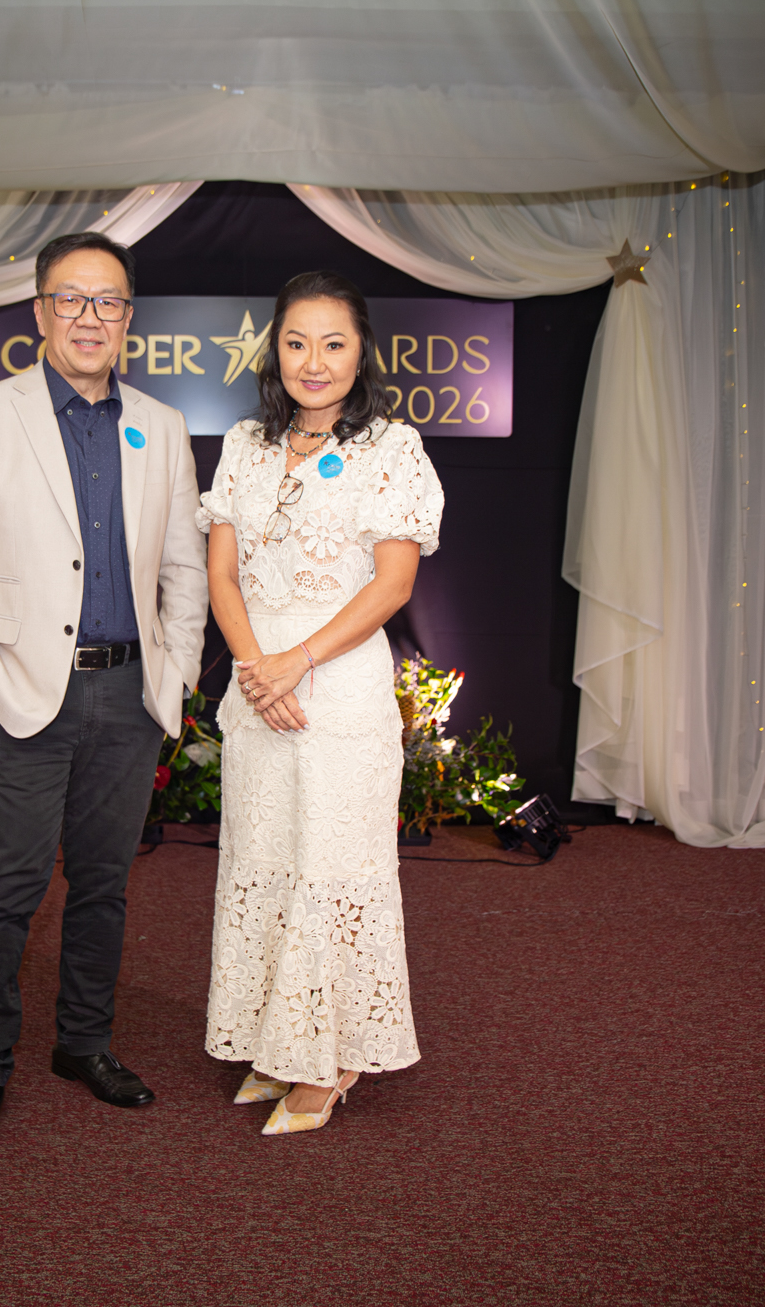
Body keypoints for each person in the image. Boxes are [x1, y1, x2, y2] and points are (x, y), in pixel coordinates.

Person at [0, 231, 208, 1156]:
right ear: (40, 310)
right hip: (21, 692)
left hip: (128, 696)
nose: (89, 316)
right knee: (7, 888)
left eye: (107, 301)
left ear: (129, 318)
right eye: (71, 299)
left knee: (104, 886)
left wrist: (175, 675)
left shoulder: (161, 425)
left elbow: (185, 568)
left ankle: (83, 1042)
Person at [197, 270, 444, 1135]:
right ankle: (282, 1041)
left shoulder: (392, 447)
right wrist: (254, 666)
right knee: (265, 858)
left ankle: (337, 1056)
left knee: (335, 867)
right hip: (257, 685)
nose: (314, 361)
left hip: (336, 689)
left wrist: (296, 661)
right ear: (275, 350)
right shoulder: (243, 444)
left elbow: (393, 583)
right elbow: (222, 573)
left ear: (361, 351)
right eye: (297, 342)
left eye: (333, 343)